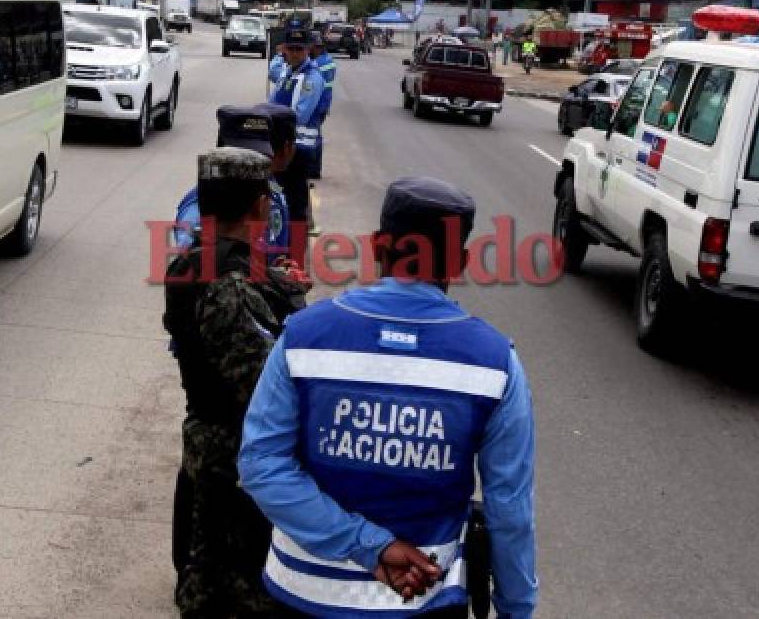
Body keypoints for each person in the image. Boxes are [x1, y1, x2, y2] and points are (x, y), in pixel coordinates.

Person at [239, 176, 539, 618]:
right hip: (424, 601)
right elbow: (509, 510)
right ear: (460, 261)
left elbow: (261, 466)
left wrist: (369, 546)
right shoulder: (494, 365)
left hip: (302, 595)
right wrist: (516, 608)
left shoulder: (304, 339)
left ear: (379, 245)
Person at [165, 147, 309, 618]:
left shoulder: (201, 259)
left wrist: (278, 288)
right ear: (260, 207)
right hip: (235, 466)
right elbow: (266, 391)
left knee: (204, 575)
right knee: (231, 591)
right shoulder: (229, 285)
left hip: (211, 452)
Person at [173, 104, 297, 265]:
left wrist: (276, 275)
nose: (256, 165)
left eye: (263, 156)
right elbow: (199, 268)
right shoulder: (201, 205)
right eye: (246, 157)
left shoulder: (270, 192)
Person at [268, 25, 325, 265]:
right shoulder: (288, 72)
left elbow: (299, 115)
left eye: (299, 49)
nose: (294, 53)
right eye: (290, 48)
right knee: (277, 200)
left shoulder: (312, 78)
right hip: (281, 147)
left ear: (308, 50)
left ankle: (296, 260)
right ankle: (279, 248)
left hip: (298, 149)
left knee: (296, 205)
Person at [307, 31, 336, 180]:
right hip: (323, 103)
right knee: (315, 135)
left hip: (318, 104)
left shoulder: (319, 63)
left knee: (314, 136)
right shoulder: (328, 60)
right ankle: (314, 168)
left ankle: (313, 169)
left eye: (309, 46)